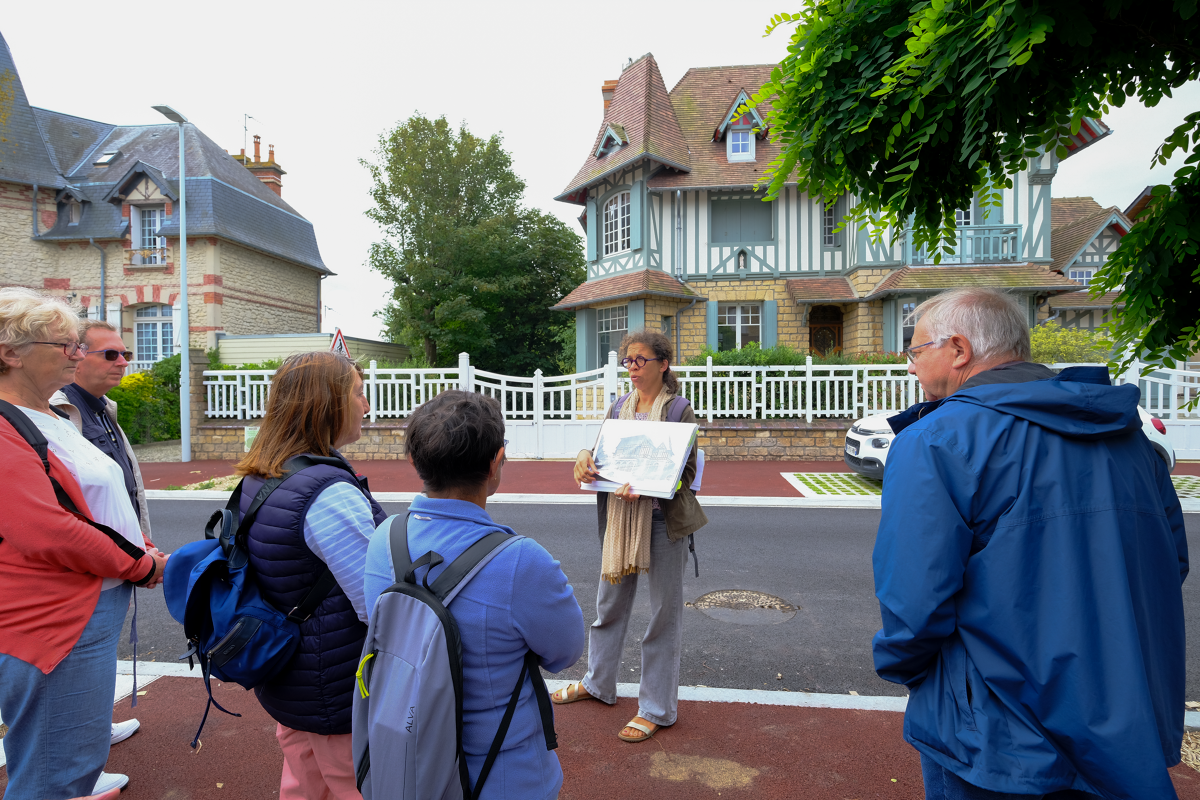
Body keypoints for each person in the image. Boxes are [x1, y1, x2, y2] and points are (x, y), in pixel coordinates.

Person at [872, 287, 1187, 800]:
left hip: (999, 726)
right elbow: (1168, 561)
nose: (910, 367)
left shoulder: (937, 439)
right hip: (1125, 709)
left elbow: (914, 598)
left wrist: (903, 667)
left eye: (914, 350)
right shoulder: (1130, 438)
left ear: (958, 350)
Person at [363, 389, 584, 799]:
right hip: (504, 774)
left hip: (409, 763)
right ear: (496, 461)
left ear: (414, 461)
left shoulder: (384, 539)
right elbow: (565, 652)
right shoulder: (521, 561)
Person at [0, 288, 167, 800]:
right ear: (11, 352)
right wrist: (140, 564)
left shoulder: (50, 417)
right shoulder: (7, 426)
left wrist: (138, 545)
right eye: (66, 345)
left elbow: (99, 500)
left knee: (74, 755)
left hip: (92, 597)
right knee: (57, 771)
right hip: (56, 614)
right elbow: (47, 528)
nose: (79, 354)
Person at [235, 350, 387, 800]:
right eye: (357, 394)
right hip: (335, 686)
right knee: (357, 786)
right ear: (326, 404)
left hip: (294, 677)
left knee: (304, 785)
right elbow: (376, 603)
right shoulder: (326, 494)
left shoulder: (266, 473)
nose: (366, 405)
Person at [559, 329, 707, 744]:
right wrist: (584, 459)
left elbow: (688, 475)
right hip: (621, 519)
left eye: (641, 360)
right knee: (608, 606)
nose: (633, 368)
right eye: (628, 360)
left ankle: (657, 708)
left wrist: (653, 481)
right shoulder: (618, 408)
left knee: (663, 616)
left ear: (664, 363)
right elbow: (601, 457)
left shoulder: (679, 410)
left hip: (662, 524)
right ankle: (598, 682)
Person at [51, 319, 151, 780]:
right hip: (89, 565)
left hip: (116, 557)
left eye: (124, 353)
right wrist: (134, 558)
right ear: (76, 355)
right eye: (110, 354)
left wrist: (139, 541)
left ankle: (91, 727)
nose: (123, 362)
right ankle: (73, 764)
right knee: (76, 657)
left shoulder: (101, 407)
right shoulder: (55, 411)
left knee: (99, 651)